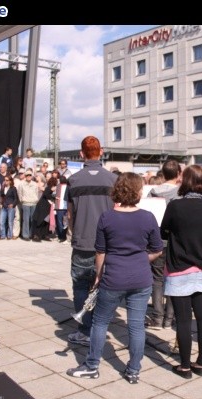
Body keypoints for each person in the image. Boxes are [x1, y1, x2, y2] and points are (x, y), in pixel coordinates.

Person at [67, 173, 162, 383]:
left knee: (100, 323)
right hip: (141, 279)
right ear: (138, 192)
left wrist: (98, 277)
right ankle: (133, 370)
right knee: (136, 326)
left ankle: (92, 366)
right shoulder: (148, 217)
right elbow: (157, 249)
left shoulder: (107, 217)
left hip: (113, 277)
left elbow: (100, 252)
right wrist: (140, 260)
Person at [160, 165, 202, 378]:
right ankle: (200, 364)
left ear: (186, 182)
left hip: (180, 266)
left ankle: (184, 366)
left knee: (183, 319)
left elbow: (163, 231)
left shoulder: (176, 205)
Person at [66, 136, 118, 347]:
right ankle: (100, 328)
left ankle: (85, 330)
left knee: (80, 286)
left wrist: (74, 231)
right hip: (108, 243)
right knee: (104, 286)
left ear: (81, 154)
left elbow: (70, 214)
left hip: (82, 241)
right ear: (102, 152)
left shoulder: (73, 180)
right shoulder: (113, 180)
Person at [145, 159, 181, 329]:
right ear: (179, 174)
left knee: (157, 279)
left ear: (163, 174)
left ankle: (157, 317)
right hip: (175, 241)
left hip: (157, 240)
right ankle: (169, 318)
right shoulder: (181, 193)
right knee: (173, 279)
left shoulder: (152, 192)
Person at [0, 176, 19, 240]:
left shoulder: (13, 188)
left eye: (7, 180)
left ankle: (9, 235)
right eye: (5, 180)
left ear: (10, 181)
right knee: (1, 221)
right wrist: (1, 204)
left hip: (10, 207)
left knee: (10, 222)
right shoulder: (3, 188)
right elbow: (2, 197)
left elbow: (16, 199)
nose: (5, 181)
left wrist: (13, 204)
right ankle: (2, 235)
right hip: (4, 206)